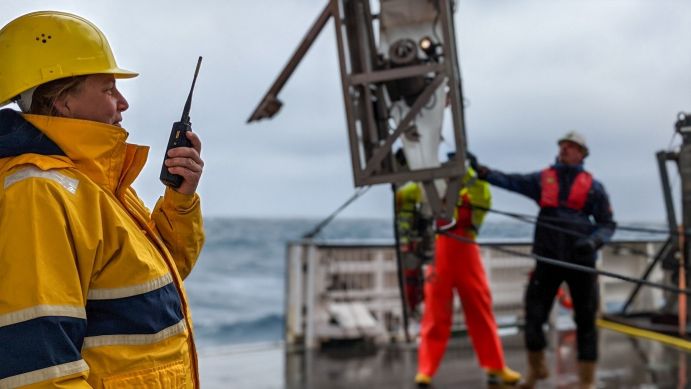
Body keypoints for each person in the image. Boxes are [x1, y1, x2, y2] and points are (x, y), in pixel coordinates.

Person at [0, 11, 205, 388]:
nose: (122, 103)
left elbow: (161, 282)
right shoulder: (38, 192)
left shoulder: (93, 185)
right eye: (108, 89)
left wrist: (180, 200)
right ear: (63, 101)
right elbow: (39, 369)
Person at [473, 131, 616, 389]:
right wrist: (483, 172)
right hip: (547, 259)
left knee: (585, 321)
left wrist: (593, 242)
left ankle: (587, 381)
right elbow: (511, 181)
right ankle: (536, 369)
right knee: (534, 315)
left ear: (582, 154)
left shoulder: (594, 188)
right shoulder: (542, 180)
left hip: (580, 262)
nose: (564, 150)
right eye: (562, 145)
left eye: (570, 147)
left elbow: (607, 224)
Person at [397, 160, 521, 388]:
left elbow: (483, 194)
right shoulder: (429, 192)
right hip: (439, 253)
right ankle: (425, 370)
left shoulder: (475, 192)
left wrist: (467, 172)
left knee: (481, 311)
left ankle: (495, 365)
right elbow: (406, 194)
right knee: (434, 315)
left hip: (467, 252)